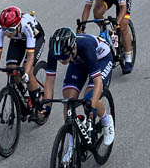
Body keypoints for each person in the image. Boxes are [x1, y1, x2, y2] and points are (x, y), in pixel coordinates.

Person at [41, 27, 114, 155]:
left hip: (100, 59)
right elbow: (49, 81)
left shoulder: (86, 47)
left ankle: (107, 121)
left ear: (73, 48)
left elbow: (98, 82)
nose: (61, 60)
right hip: (78, 62)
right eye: (58, 58)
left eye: (64, 57)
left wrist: (92, 105)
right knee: (68, 99)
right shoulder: (55, 51)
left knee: (90, 98)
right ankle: (71, 145)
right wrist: (46, 107)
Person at [0, 6, 46, 120]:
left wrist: (26, 73)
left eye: (10, 30)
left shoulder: (27, 27)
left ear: (18, 25)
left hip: (35, 38)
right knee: (11, 68)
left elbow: (30, 55)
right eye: (5, 30)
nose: (7, 33)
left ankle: (38, 105)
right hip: (18, 39)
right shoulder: (4, 30)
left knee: (28, 69)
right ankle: (21, 94)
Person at [80, 0, 134, 74]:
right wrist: (82, 26)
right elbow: (87, 8)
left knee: (122, 25)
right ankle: (108, 35)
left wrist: (117, 22)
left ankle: (128, 58)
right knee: (97, 12)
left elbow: (123, 7)